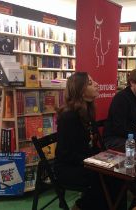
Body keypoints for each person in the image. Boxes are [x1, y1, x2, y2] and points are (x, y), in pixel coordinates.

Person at [54, 72, 108, 210]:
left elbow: (88, 145)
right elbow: (66, 154)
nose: (96, 84)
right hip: (69, 168)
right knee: (106, 178)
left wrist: (105, 158)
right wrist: (95, 161)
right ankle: (82, 206)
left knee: (115, 175)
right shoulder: (69, 117)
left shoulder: (87, 111)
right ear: (81, 92)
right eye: (90, 83)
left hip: (85, 163)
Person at [103, 68, 136, 148]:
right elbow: (119, 128)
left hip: (135, 137)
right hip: (116, 138)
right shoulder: (121, 98)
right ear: (132, 83)